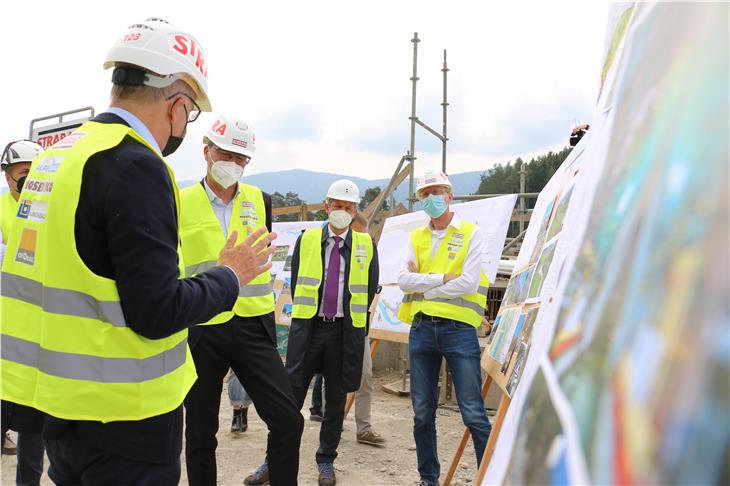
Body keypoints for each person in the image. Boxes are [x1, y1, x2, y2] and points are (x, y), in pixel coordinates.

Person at [0, 18, 277, 486]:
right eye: (188, 115)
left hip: (59, 405)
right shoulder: (135, 164)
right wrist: (229, 275)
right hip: (125, 413)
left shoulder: (57, 157)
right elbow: (156, 310)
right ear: (177, 105)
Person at [180, 115, 303, 486]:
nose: (233, 163)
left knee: (287, 420)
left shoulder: (259, 200)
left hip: (252, 322)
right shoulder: (179, 201)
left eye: (241, 158)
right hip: (202, 324)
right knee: (200, 432)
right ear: (206, 151)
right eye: (225, 153)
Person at [246, 180, 379, 486]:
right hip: (308, 329)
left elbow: (370, 286)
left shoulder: (365, 245)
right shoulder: (306, 240)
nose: (342, 212)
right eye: (337, 205)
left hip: (345, 332)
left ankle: (326, 461)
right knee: (288, 398)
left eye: (348, 207)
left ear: (355, 210)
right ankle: (272, 461)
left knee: (335, 402)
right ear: (326, 205)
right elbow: (297, 278)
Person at [397, 169, 492, 486]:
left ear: (450, 195)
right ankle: (428, 479)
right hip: (422, 330)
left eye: (436, 192)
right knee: (422, 413)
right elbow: (403, 280)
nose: (430, 198)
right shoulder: (416, 237)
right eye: (424, 194)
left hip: (458, 331)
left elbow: (467, 284)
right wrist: (441, 279)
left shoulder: (470, 233)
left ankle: (490, 477)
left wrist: (424, 286)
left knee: (474, 414)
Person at [309, 213, 386, 447]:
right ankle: (333, 423)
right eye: (358, 234)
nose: (361, 240)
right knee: (329, 378)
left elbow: (371, 286)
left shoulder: (368, 252)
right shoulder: (326, 249)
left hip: (356, 327)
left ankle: (364, 427)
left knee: (364, 376)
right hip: (328, 327)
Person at [1, 139, 47, 485]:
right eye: (23, 175)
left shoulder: (50, 211)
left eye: (36, 174)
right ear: (8, 177)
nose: (29, 181)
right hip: (4, 338)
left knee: (35, 431)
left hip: (38, 339)